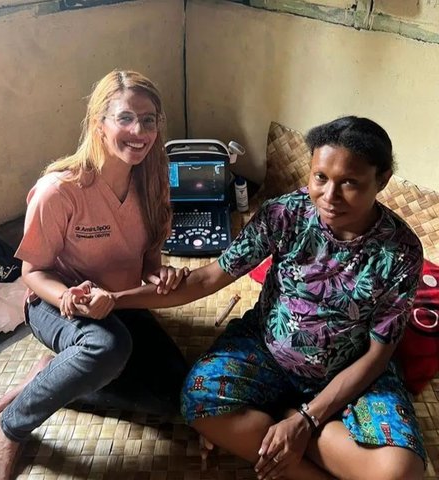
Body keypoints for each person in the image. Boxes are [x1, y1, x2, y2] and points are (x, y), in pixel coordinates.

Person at [72, 116, 426, 479]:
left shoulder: (399, 253)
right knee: (200, 399)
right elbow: (207, 278)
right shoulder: (285, 213)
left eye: (350, 183)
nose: (330, 196)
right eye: (320, 177)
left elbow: (377, 355)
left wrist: (305, 417)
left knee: (401, 472)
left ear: (381, 181)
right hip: (268, 349)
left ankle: (286, 416)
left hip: (348, 370)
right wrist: (114, 299)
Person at [0, 69, 190, 480]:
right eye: (125, 118)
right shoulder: (58, 190)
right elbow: (33, 272)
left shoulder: (154, 181)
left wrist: (159, 275)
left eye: (149, 121)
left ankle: (50, 376)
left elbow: (149, 260)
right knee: (109, 347)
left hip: (120, 300)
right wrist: (68, 298)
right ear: (99, 123)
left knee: (178, 398)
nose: (139, 131)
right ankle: (11, 426)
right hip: (54, 303)